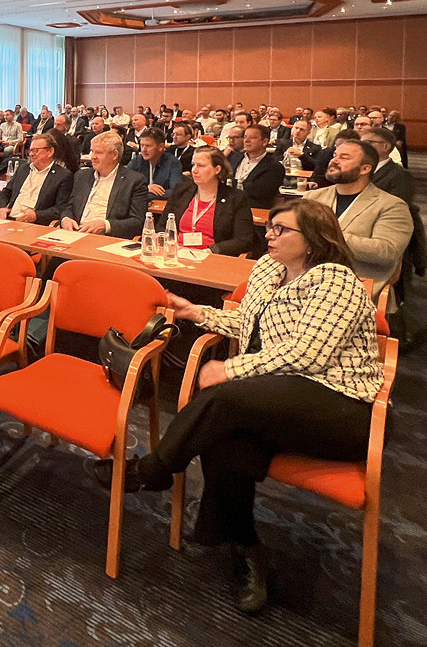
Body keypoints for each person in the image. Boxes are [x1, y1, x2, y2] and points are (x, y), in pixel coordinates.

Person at [96, 198, 384, 614]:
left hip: (340, 406)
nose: (270, 233)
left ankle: (151, 470)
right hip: (277, 398)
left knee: (223, 398)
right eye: (271, 227)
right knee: (224, 437)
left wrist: (231, 369)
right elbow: (249, 324)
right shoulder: (269, 271)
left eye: (282, 230)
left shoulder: (335, 280)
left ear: (313, 240)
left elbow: (308, 354)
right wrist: (196, 311)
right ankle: (247, 548)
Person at [304, 139, 412, 298]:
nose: (334, 160)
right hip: (306, 282)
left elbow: (386, 252)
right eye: (335, 155)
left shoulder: (392, 205)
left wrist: (324, 235)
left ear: (365, 168)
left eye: (344, 157)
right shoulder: (312, 198)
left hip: (356, 289)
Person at [157, 146, 256, 255]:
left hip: (211, 257)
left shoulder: (236, 198)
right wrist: (171, 244)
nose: (194, 170)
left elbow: (243, 240)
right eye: (193, 165)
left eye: (201, 166)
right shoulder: (181, 191)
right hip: (176, 253)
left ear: (217, 169)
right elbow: (162, 227)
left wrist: (212, 250)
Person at [60, 131, 147, 240]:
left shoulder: (134, 181)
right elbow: (69, 206)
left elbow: (137, 222)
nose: (93, 157)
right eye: (92, 151)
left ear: (114, 155)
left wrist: (105, 225)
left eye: (99, 153)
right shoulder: (81, 176)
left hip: (107, 238)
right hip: (75, 233)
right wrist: (66, 219)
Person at [0, 133, 73, 224]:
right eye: (30, 150)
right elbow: (6, 192)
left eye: (36, 151)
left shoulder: (62, 176)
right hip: (8, 219)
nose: (31, 154)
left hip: (34, 224)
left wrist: (36, 215)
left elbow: (60, 208)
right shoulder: (23, 169)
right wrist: (2, 208)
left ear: (50, 152)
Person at [231, 124, 285, 209]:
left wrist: (232, 184)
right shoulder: (234, 158)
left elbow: (258, 192)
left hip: (253, 209)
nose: (247, 140)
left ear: (264, 142)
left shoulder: (275, 167)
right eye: (245, 137)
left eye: (252, 138)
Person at [127, 127, 183, 201]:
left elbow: (175, 192)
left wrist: (141, 193)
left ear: (161, 147)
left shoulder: (173, 163)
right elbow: (124, 186)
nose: (143, 150)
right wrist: (146, 188)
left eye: (148, 146)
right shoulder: (137, 160)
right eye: (142, 145)